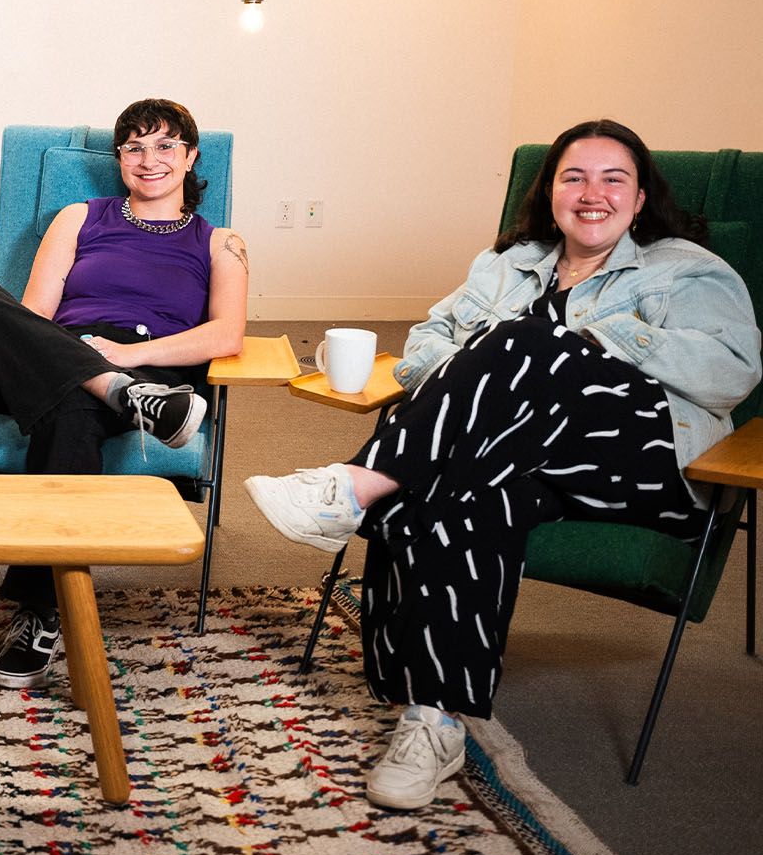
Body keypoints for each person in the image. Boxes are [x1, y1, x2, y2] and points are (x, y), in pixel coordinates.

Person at [245, 119, 761, 810]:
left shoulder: (687, 267)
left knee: (522, 342)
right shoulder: (509, 264)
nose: (592, 194)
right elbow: (427, 340)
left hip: (646, 459)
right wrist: (475, 375)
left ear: (641, 199)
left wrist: (595, 339)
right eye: (574, 177)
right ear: (549, 190)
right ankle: (434, 721)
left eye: (615, 179)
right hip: (522, 456)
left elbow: (734, 373)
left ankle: (354, 485)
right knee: (460, 489)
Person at [0, 98, 248, 691]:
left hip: (153, 370)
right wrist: (87, 360)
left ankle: (42, 611)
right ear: (119, 158)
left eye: (164, 146)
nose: (148, 159)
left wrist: (128, 357)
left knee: (69, 414)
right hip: (58, 359)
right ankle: (116, 393)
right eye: (133, 146)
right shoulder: (79, 216)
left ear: (190, 157)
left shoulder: (221, 241)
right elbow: (32, 316)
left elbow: (225, 333)